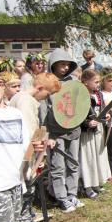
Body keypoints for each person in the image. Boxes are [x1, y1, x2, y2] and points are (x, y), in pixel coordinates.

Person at [9, 72, 61, 222]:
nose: (47, 98)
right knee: (27, 186)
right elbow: (29, 133)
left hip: (23, 151)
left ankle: (28, 215)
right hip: (25, 154)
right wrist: (36, 158)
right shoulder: (27, 102)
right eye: (48, 94)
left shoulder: (20, 97)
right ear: (39, 88)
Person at [41, 48, 84, 213]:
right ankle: (61, 197)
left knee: (73, 163)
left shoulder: (73, 83)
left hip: (73, 129)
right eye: (62, 64)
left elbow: (80, 104)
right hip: (55, 131)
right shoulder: (48, 84)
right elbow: (44, 112)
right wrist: (48, 134)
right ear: (53, 65)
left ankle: (72, 193)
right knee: (57, 165)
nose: (65, 68)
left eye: (68, 65)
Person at [0, 72, 33, 222]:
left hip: (15, 183)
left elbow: (26, 147)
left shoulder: (16, 114)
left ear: (3, 86)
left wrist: (37, 149)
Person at [79, 69, 112, 198]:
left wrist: (106, 115)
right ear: (86, 82)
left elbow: (102, 109)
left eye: (99, 82)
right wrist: (87, 123)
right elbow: (77, 116)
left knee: (98, 156)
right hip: (87, 133)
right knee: (89, 158)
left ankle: (97, 183)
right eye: (96, 82)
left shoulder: (98, 94)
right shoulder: (81, 95)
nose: (98, 84)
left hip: (99, 130)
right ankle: (88, 187)